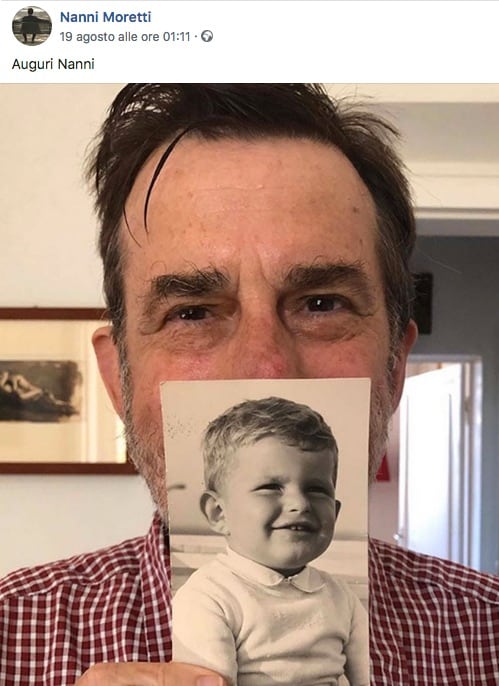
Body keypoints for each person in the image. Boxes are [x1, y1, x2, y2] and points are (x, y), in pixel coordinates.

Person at [0, 84, 497, 686]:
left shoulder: (486, 634)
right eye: (191, 313)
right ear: (117, 382)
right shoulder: (13, 635)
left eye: (321, 303)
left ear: (394, 370)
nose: (265, 374)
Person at [173, 396, 368, 686]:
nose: (300, 504)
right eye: (270, 487)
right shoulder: (209, 596)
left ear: (335, 512)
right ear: (219, 513)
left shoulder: (341, 597)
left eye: (316, 489)